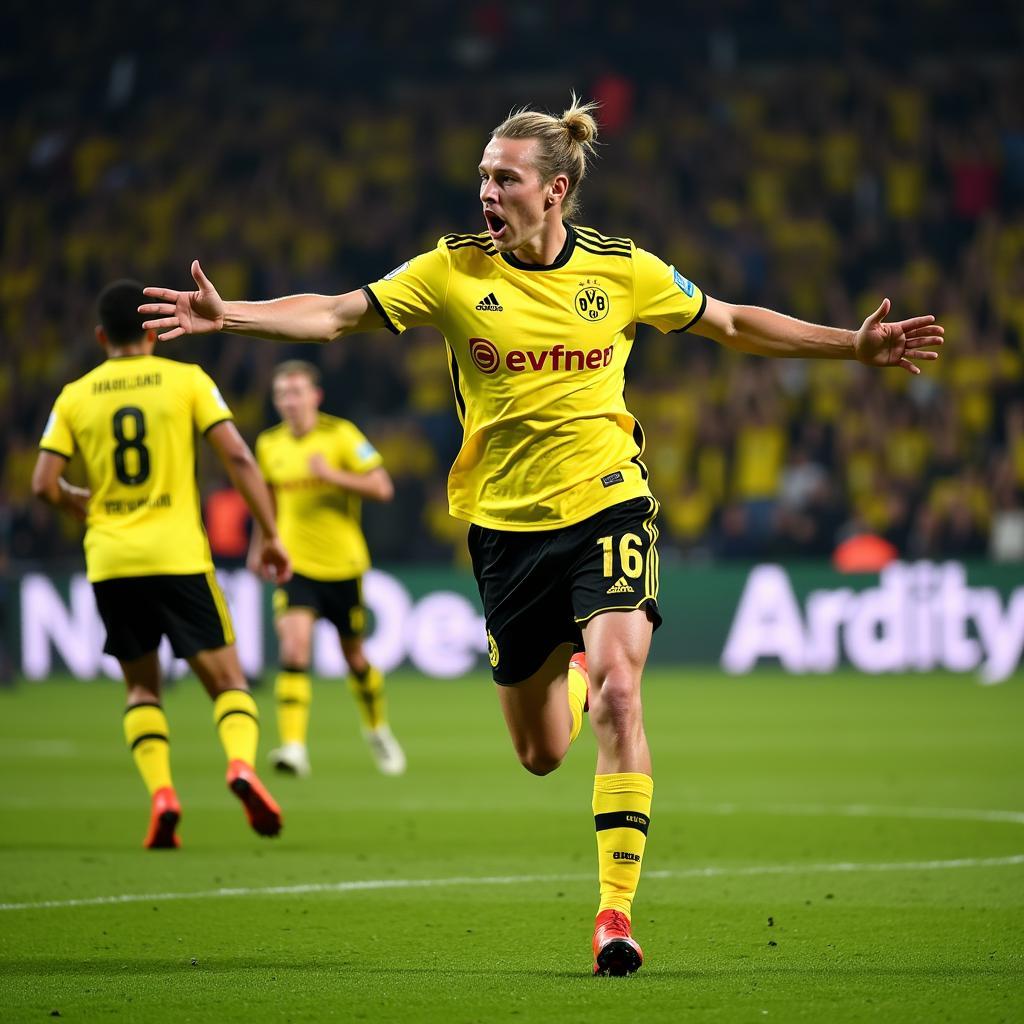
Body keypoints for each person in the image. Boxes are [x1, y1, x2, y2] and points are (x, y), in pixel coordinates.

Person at [139, 96, 944, 973]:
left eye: (504, 177)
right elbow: (335, 313)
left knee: (622, 690)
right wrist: (234, 316)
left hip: (609, 503)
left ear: (554, 190)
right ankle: (565, 669)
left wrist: (849, 347)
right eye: (483, 175)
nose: (486, 190)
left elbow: (730, 322)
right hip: (505, 531)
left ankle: (614, 917)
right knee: (539, 753)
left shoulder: (623, 270)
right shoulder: (450, 273)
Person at [33, 279, 292, 849]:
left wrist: (80, 502)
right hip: (176, 554)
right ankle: (241, 767)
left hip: (111, 559)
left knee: (142, 691)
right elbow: (238, 456)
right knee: (228, 683)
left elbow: (43, 484)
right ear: (153, 331)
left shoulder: (75, 395)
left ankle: (162, 794)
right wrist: (270, 534)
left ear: (102, 337)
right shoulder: (186, 382)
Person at [251, 359, 404, 777]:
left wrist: (332, 475)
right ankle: (293, 747)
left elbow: (381, 487)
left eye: (297, 392)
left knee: (355, 658)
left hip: (342, 565)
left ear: (315, 396)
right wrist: (261, 545)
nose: (290, 401)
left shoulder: (341, 435)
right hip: (294, 564)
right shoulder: (269, 445)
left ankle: (377, 729)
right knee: (294, 648)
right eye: (282, 394)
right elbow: (266, 500)